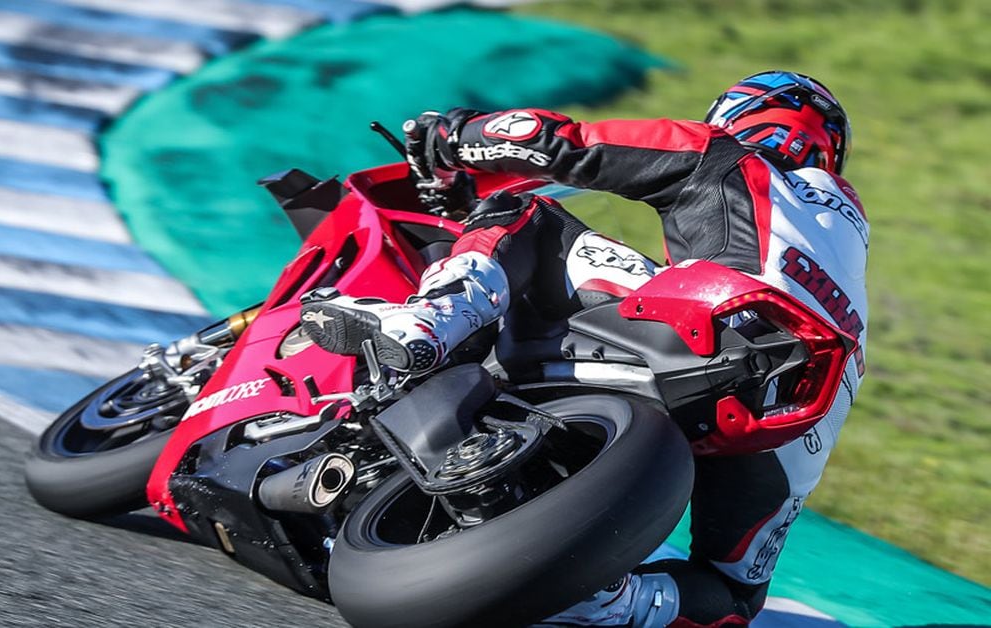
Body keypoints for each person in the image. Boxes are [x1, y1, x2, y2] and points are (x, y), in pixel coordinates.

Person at [300, 71, 869, 626]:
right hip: (787, 430)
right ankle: (604, 606)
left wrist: (452, 137)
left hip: (705, 333)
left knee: (528, 214)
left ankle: (427, 324)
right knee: (733, 595)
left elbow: (561, 143)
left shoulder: (727, 156)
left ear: (741, 115)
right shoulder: (849, 278)